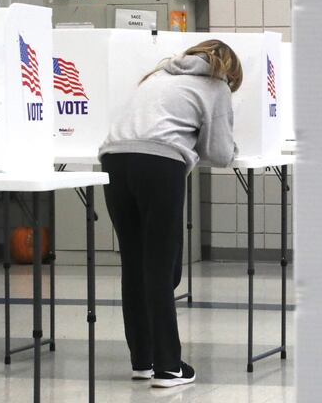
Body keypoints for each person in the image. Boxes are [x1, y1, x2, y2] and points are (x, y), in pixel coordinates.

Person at [98, 40, 242, 388]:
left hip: (113, 160)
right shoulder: (215, 84)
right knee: (161, 269)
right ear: (228, 69)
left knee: (134, 266)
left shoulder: (157, 76)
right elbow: (221, 153)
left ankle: (143, 361)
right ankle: (168, 367)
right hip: (159, 164)